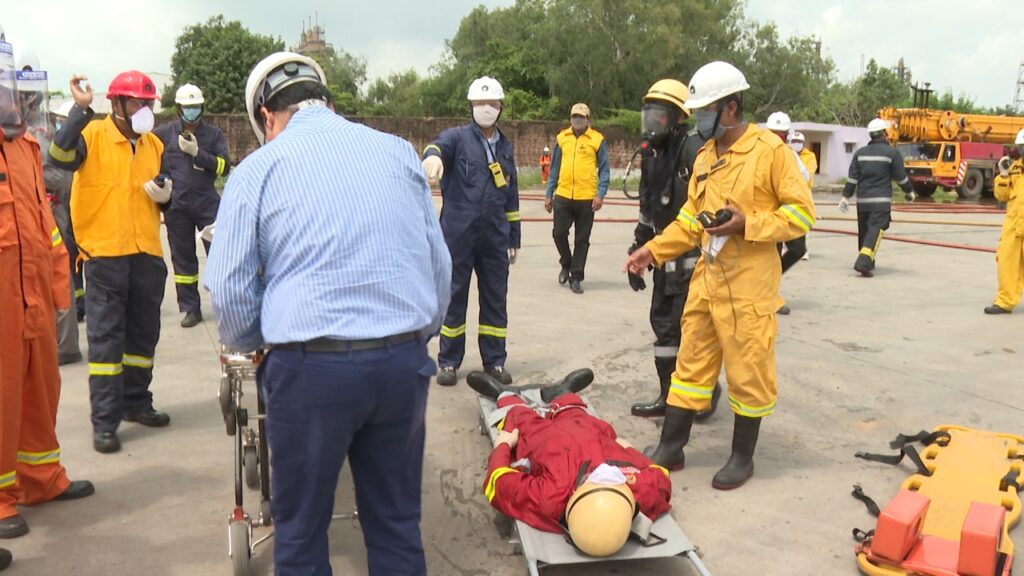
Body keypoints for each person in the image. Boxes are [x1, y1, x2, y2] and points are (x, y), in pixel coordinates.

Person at [206, 51, 452, 576]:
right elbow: (439, 269)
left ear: (266, 117)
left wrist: (258, 341)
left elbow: (228, 292)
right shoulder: (397, 152)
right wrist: (411, 341)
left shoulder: (257, 170)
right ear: (326, 99)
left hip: (310, 370)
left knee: (300, 535)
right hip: (400, 364)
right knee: (396, 527)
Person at [625, 61, 815, 490]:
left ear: (731, 108)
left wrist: (748, 223)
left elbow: (802, 213)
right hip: (708, 279)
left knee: (749, 369)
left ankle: (741, 457)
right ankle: (671, 448)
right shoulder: (707, 154)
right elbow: (692, 219)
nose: (697, 119)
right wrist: (650, 251)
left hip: (749, 282)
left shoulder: (769, 152)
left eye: (705, 110)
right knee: (690, 364)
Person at [0, 31, 94, 541]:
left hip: (32, 297)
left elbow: (45, 226)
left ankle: (40, 478)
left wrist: (60, 284)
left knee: (41, 389)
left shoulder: (24, 151)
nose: (15, 104)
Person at [49, 69, 172, 454]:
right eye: (136, 102)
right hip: (104, 256)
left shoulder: (153, 145)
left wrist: (166, 195)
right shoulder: (93, 135)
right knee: (105, 343)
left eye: (147, 104)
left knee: (142, 336)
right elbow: (59, 155)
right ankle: (105, 422)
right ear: (116, 104)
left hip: (146, 253)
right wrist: (79, 112)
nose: (143, 110)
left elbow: (164, 192)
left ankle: (136, 402)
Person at [468, 370, 672, 557]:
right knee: (575, 412)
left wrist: (503, 445)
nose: (603, 474)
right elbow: (660, 476)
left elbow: (499, 482)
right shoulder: (641, 491)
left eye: (595, 482)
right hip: (587, 429)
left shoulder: (550, 498)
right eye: (611, 483)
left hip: (544, 441)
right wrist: (627, 449)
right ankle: (561, 392)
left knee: (519, 417)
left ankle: (504, 395)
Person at [627, 79, 721, 419]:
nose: (652, 123)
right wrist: (640, 246)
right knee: (664, 328)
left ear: (679, 117)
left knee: (692, 332)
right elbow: (646, 204)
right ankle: (668, 397)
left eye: (659, 115)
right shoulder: (652, 154)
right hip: (663, 252)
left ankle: (704, 394)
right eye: (648, 114)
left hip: (694, 256)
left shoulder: (695, 150)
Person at [421, 76, 521, 387]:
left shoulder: (505, 147)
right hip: (458, 235)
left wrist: (513, 237)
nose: (486, 109)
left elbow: (512, 195)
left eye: (492, 104)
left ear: (501, 107)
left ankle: (495, 361)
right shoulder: (457, 138)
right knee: (454, 298)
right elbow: (437, 146)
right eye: (480, 104)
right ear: (471, 107)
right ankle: (449, 362)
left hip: (494, 236)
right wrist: (433, 157)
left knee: (495, 299)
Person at [10, 38, 81, 364]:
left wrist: (38, 179)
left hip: (50, 212)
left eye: (26, 93)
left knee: (57, 271)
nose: (21, 102)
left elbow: (63, 175)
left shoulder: (43, 128)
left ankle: (63, 347)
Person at [153, 83, 230, 328]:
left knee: (219, 256)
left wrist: (199, 154)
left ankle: (225, 305)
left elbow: (223, 167)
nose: (192, 111)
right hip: (178, 205)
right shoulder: (164, 134)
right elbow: (152, 162)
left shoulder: (214, 135)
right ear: (178, 109)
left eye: (195, 107)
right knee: (183, 259)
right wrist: (160, 183)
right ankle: (190, 309)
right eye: (187, 107)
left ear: (202, 107)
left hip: (207, 203)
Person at [544, 103, 610, 294]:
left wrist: (600, 194)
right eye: (574, 116)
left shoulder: (597, 140)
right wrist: (549, 193)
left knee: (582, 240)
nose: (577, 120)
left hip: (586, 197)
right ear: (570, 118)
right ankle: (566, 263)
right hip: (563, 194)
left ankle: (576, 276)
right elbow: (554, 168)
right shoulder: (562, 138)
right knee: (558, 233)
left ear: (588, 120)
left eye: (581, 117)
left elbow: (604, 169)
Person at [839, 118, 915, 277]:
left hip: (863, 202)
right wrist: (909, 192)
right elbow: (901, 178)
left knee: (864, 231)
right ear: (885, 134)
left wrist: (845, 197)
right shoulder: (892, 153)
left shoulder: (860, 154)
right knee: (875, 230)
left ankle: (868, 262)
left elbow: (852, 179)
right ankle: (863, 263)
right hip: (880, 203)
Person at [765, 112, 811, 315]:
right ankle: (769, 296)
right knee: (772, 254)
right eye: (774, 133)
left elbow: (805, 175)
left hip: (787, 211)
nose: (777, 138)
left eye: (780, 134)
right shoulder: (759, 152)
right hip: (768, 213)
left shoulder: (788, 154)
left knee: (798, 249)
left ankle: (769, 284)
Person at [986, 129, 1024, 314]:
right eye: (1020, 146)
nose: (1020, 150)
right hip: (1014, 224)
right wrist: (1003, 175)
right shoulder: (1015, 167)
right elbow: (1002, 195)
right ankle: (1004, 301)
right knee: (1006, 261)